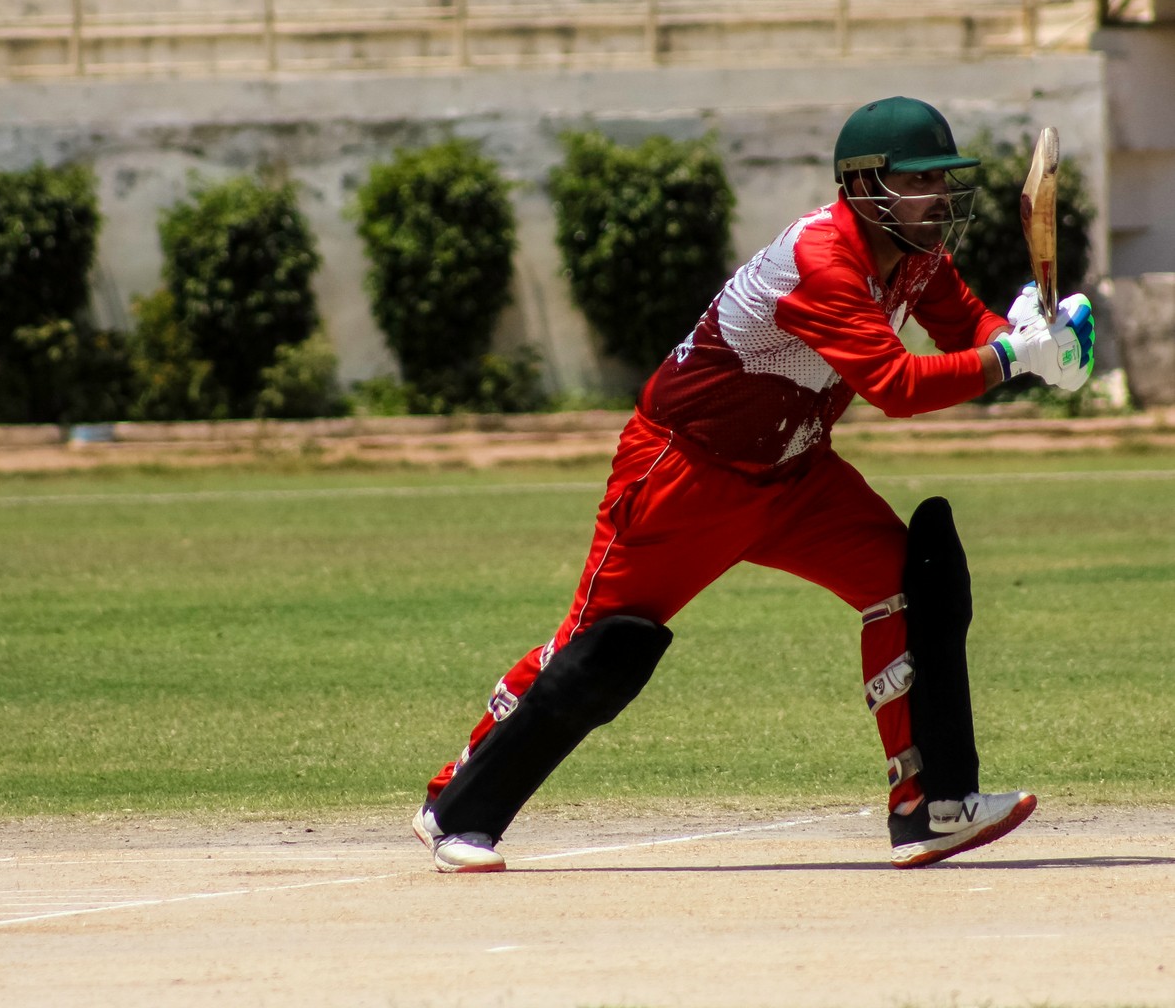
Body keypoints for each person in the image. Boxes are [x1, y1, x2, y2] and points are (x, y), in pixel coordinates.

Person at [413, 95, 1096, 873]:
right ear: (863, 186)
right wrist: (1015, 359)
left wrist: (1028, 339)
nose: (937, 196)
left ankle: (930, 807)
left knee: (913, 582)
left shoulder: (917, 252)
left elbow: (966, 327)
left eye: (943, 179)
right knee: (599, 650)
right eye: (917, 181)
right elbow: (898, 387)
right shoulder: (820, 262)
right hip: (687, 472)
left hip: (796, 472)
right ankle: (454, 810)